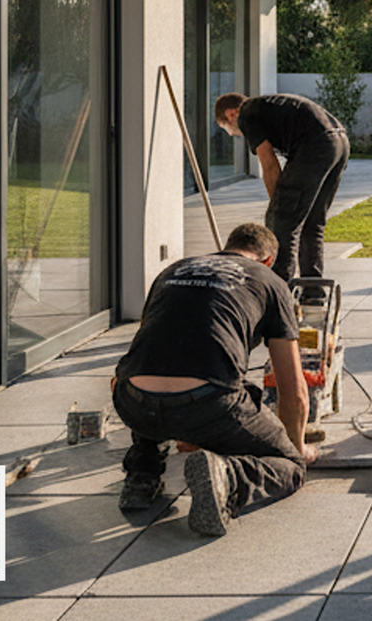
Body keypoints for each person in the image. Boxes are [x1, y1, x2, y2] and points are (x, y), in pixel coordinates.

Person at [112, 222, 317, 536]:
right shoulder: (271, 282)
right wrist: (297, 447)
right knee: (290, 468)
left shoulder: (174, 270)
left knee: (144, 376)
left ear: (225, 249)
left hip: (133, 402)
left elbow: (152, 347)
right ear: (267, 260)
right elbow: (294, 391)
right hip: (207, 407)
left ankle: (142, 473)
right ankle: (228, 477)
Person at [213, 92, 350, 296]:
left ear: (231, 114)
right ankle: (313, 296)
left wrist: (279, 207)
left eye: (227, 130)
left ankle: (278, 297)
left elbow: (269, 165)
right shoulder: (267, 106)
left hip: (314, 144)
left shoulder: (247, 114)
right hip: (340, 142)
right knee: (312, 223)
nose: (234, 135)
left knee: (281, 222)